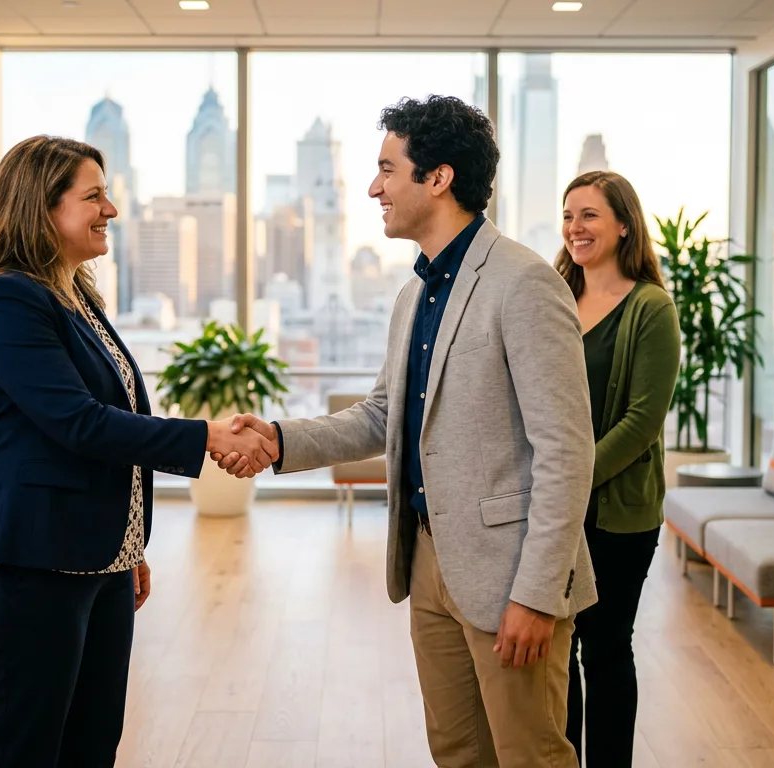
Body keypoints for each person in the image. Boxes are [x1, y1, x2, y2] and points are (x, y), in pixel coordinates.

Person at [219, 96, 596, 768]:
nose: (374, 188)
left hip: (510, 575)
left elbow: (567, 454)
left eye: (387, 169)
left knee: (530, 755)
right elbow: (383, 415)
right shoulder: (413, 296)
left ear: (438, 178)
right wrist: (279, 439)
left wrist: (538, 595)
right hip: (429, 562)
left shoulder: (524, 283)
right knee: (456, 750)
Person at [0, 135, 277, 768]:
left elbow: (115, 421)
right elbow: (80, 425)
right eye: (93, 195)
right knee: (25, 750)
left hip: (94, 560)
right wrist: (205, 434)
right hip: (28, 563)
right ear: (39, 208)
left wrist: (128, 550)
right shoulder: (9, 298)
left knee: (92, 744)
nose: (112, 210)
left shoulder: (75, 295)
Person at [556, 171, 681, 767]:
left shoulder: (650, 307)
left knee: (604, 650)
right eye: (568, 215)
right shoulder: (555, 294)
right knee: (557, 653)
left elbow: (641, 422)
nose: (574, 228)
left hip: (615, 516)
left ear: (624, 224)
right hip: (554, 508)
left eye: (589, 215)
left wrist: (572, 480)